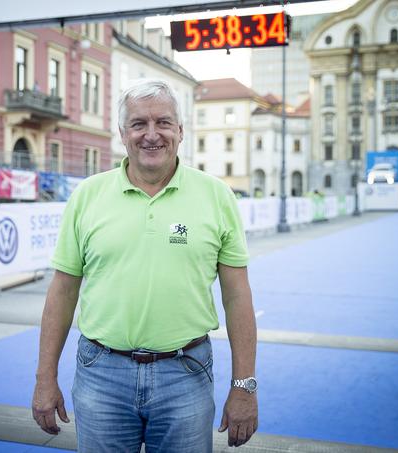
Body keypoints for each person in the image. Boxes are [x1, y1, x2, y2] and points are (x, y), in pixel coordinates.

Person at [32, 79, 258, 452]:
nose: (151, 135)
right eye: (139, 124)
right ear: (122, 134)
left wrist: (244, 385)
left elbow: (237, 296)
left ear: (181, 131)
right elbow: (62, 290)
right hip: (100, 374)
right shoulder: (88, 196)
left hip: (185, 373)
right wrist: (45, 377)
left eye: (163, 123)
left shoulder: (217, 196)